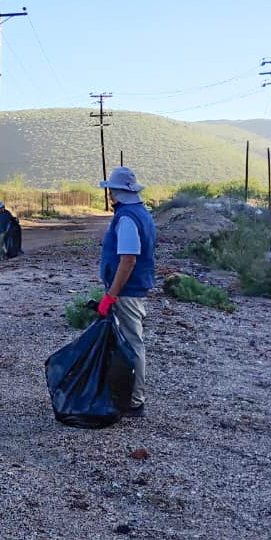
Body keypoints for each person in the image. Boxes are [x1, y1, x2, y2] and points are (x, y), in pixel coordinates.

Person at [96, 166, 157, 418]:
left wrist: (111, 294)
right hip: (132, 289)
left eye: (111, 190)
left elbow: (128, 259)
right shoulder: (140, 213)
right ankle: (126, 394)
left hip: (127, 292)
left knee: (132, 343)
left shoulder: (127, 218)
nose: (109, 195)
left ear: (117, 192)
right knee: (129, 341)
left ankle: (134, 401)